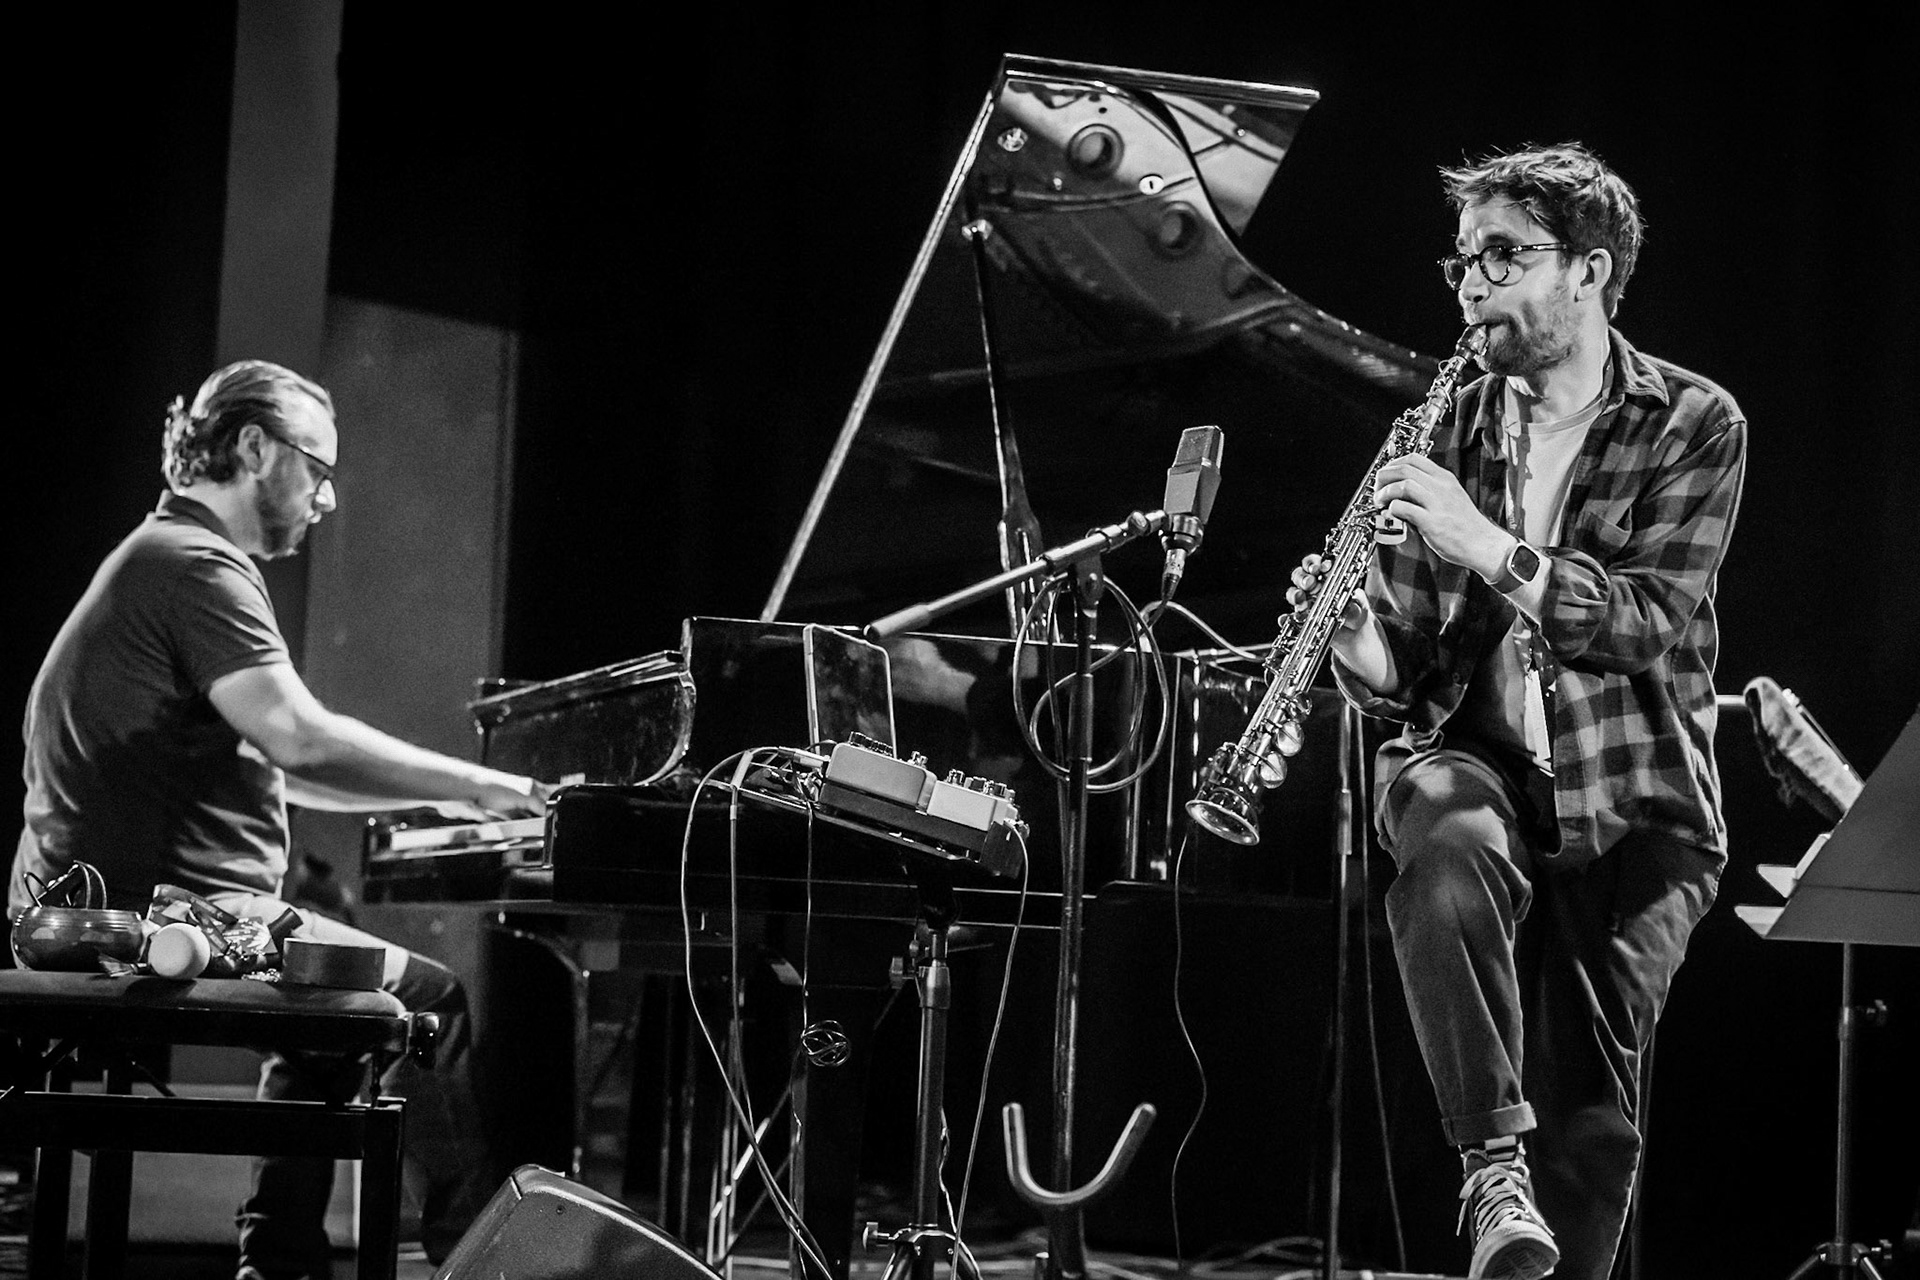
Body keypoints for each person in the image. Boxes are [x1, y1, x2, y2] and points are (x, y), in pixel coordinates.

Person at [1290, 143, 1744, 1279]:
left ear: (1589, 270)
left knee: (1592, 1117)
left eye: (1505, 255)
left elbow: (1640, 620)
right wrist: (1353, 641)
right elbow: (1403, 661)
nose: (1473, 284)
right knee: (1443, 839)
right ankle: (1490, 1164)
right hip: (1475, 758)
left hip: (1638, 795)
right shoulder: (1445, 424)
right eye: (1464, 262)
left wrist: (1485, 542)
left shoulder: (1693, 420)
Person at [9, 360, 553, 1280]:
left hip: (122, 909)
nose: (328, 497)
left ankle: (281, 1262)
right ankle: (484, 1266)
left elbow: (291, 769)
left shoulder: (159, 556)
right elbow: (299, 739)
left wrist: (445, 798)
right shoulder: (196, 566)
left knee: (325, 1001)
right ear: (256, 449)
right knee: (432, 1004)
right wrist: (491, 789)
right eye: (318, 467)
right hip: (159, 919)